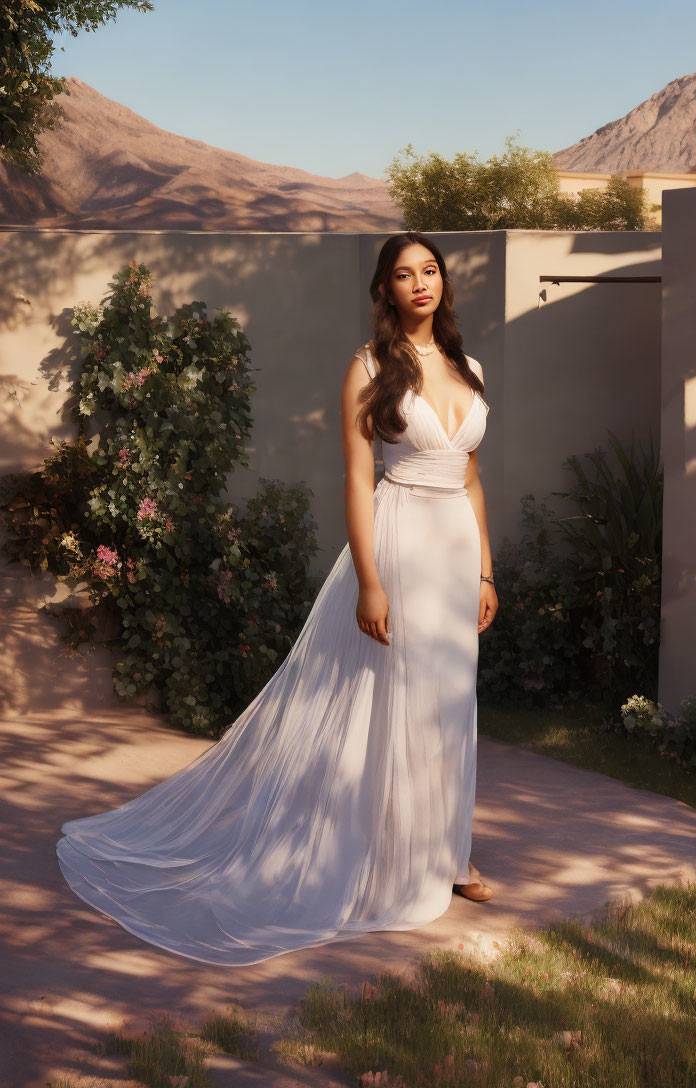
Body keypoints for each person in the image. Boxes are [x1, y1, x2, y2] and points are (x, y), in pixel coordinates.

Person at [55, 230, 498, 966]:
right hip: (400, 544)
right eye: (402, 275)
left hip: (455, 552)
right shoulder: (367, 367)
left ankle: (450, 855)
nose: (419, 283)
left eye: (429, 271)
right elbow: (359, 480)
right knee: (392, 702)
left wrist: (486, 569)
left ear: (443, 283)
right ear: (385, 290)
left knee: (451, 702)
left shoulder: (470, 367)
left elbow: (472, 478)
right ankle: (392, 864)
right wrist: (370, 579)